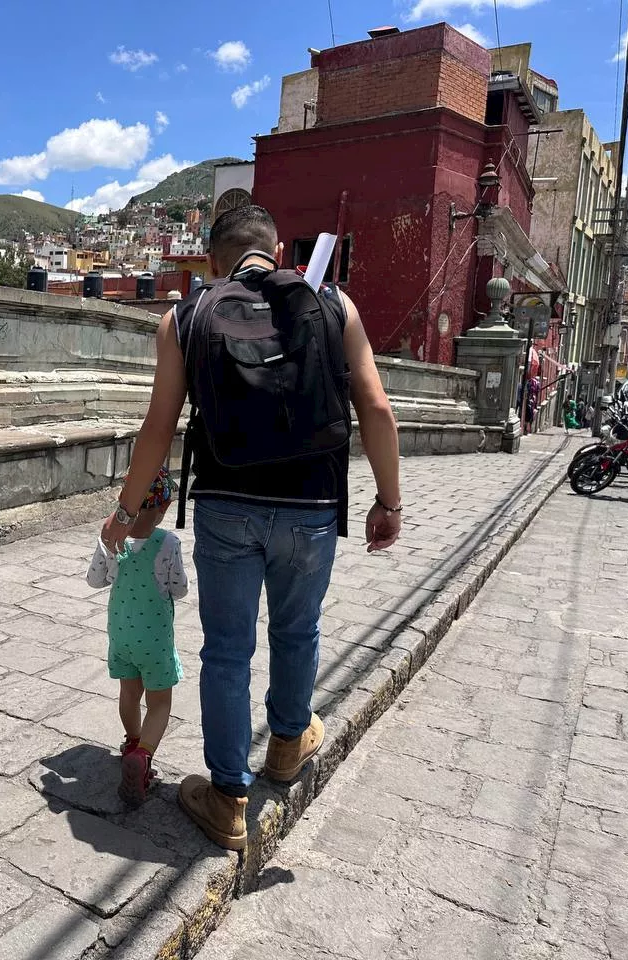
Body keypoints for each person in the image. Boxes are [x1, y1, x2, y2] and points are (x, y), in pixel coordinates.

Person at [101, 205, 402, 851]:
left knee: (227, 651)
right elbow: (376, 406)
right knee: (299, 630)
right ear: (274, 248)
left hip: (226, 504)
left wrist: (126, 515)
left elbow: (159, 425)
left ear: (213, 260)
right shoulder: (332, 303)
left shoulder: (185, 317)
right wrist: (390, 502)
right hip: (314, 505)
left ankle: (229, 799)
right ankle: (288, 747)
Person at [86, 468, 188, 807]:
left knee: (129, 694)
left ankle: (132, 741)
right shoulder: (168, 543)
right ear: (162, 510)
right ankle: (142, 756)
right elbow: (180, 589)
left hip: (121, 634)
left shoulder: (114, 539)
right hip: (155, 639)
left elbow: (95, 581)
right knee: (160, 702)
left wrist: (104, 542)